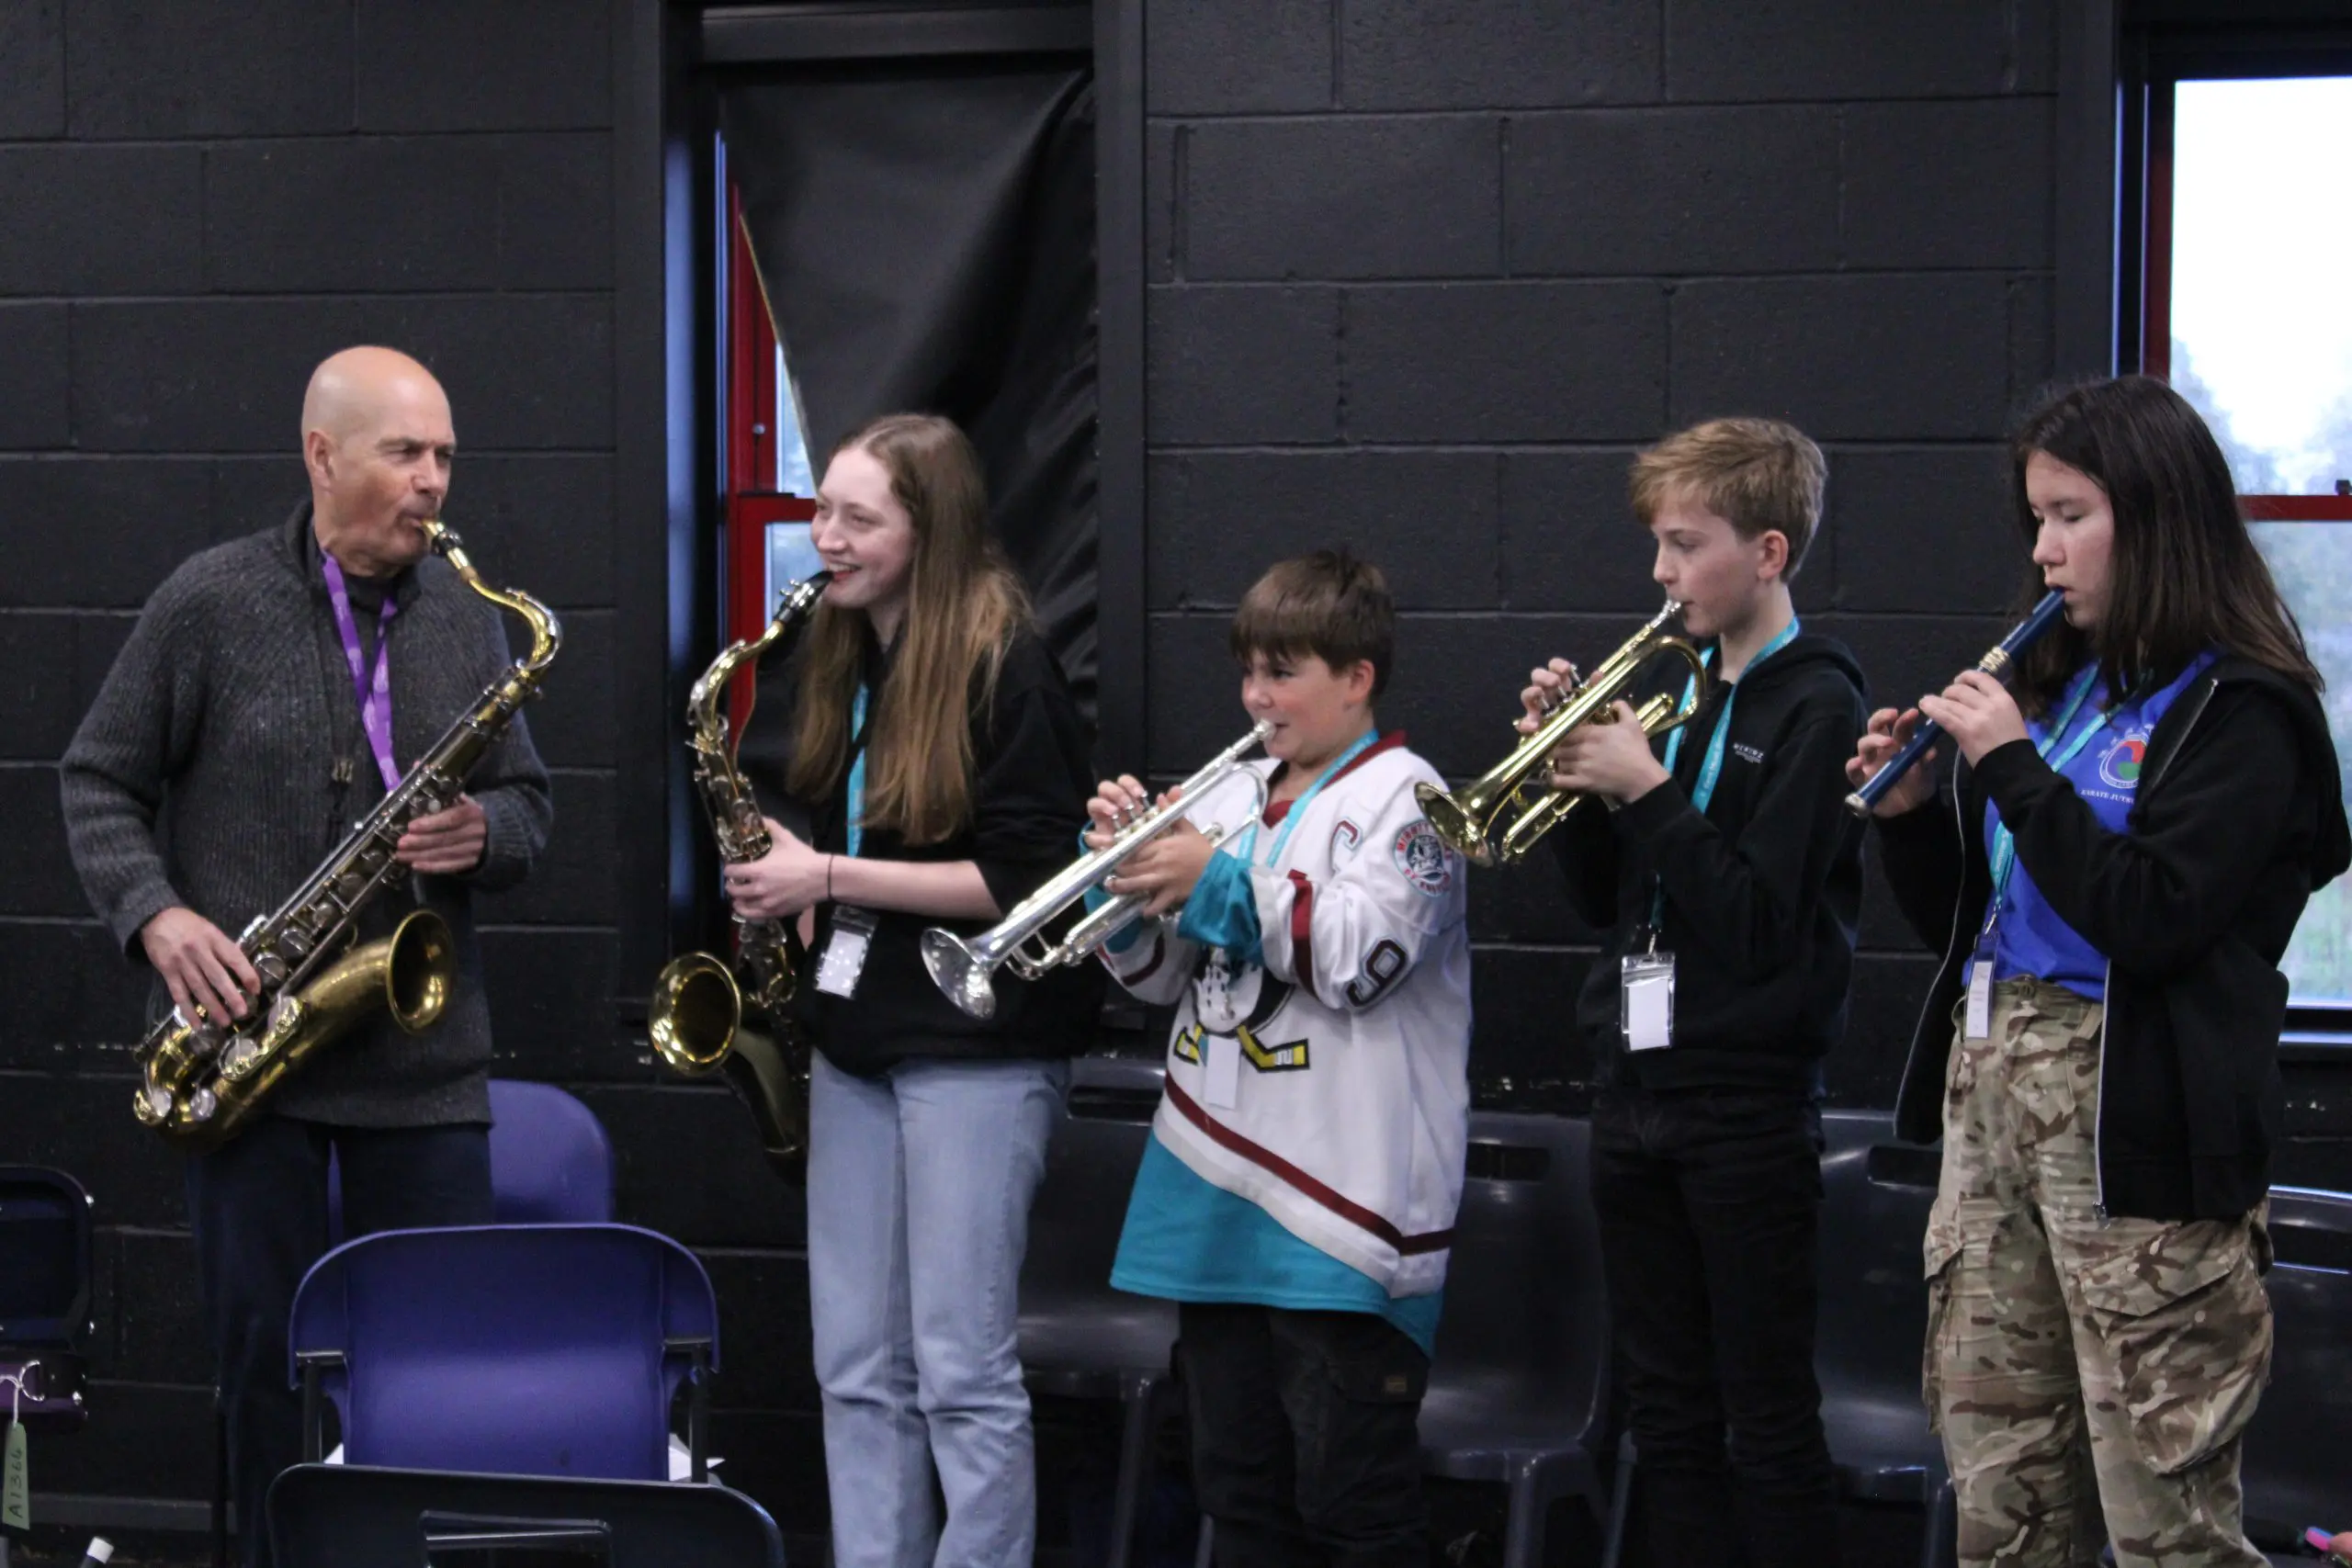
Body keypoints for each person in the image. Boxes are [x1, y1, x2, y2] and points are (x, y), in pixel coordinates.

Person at [59, 346, 552, 1568]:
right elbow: (98, 778)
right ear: (321, 454)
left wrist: (489, 829)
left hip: (425, 1063)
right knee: (263, 1358)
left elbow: (535, 804)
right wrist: (157, 916)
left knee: (435, 1358)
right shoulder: (209, 601)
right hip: (251, 1056)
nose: (434, 481)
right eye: (405, 452)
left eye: (444, 454)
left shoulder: (471, 620)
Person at [1849, 375, 2350, 1568]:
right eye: (2036, 516)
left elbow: (2154, 917)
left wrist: (2016, 766)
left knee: (2162, 1527)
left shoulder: (2247, 712)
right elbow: (1987, 928)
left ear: (2157, 515)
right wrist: (1917, 814)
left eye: (2070, 513)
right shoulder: (2070, 690)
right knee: (2007, 1504)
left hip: (2142, 1154)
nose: (2044, 548)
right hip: (1998, 1128)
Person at [728, 412, 1097, 1568]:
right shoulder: (847, 651)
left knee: (961, 1373)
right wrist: (800, 886)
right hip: (858, 1049)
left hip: (976, 1058)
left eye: (856, 519)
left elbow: (1027, 879)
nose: (823, 538)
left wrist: (827, 872)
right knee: (854, 1369)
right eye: (821, 509)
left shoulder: (1003, 659)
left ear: (927, 533)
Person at [1085, 549, 1473, 1567]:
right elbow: (1163, 982)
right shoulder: (1228, 793)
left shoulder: (1408, 794)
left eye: (1286, 671)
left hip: (1339, 1215)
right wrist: (1112, 891)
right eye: (1250, 670)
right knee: (1240, 1499)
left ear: (1357, 677)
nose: (1258, 696)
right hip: (1212, 1202)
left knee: (1353, 1507)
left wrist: (1210, 880)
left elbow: (1358, 960)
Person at [1524, 418, 1863, 1567]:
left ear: (1767, 552)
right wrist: (1580, 783)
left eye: (1684, 545)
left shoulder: (1815, 705)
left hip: (1744, 1106)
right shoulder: (1683, 695)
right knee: (1662, 1415)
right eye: (1658, 547)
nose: (1660, 576)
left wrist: (1651, 788)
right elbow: (1606, 901)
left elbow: (1759, 925)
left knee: (1763, 1419)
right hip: (1633, 1085)